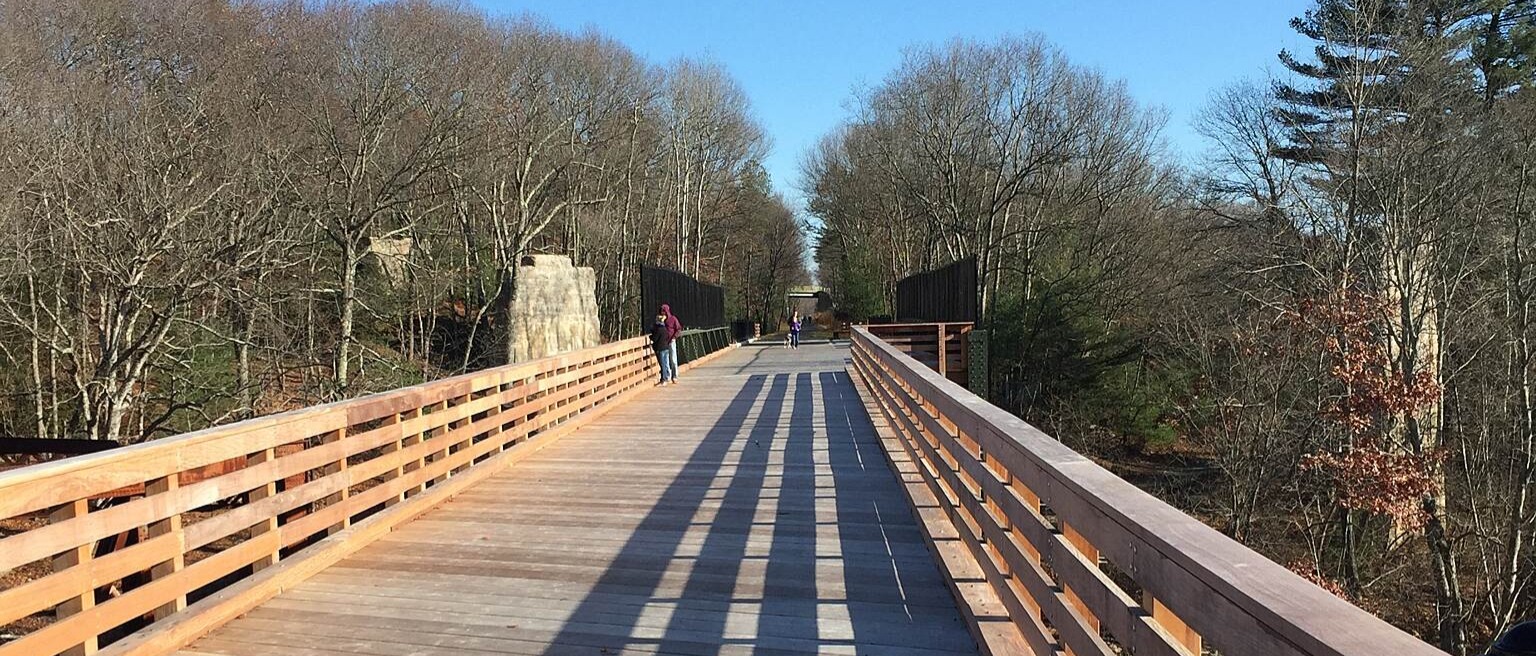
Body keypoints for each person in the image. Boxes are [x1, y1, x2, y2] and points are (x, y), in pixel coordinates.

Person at [649, 313, 675, 385]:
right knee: (666, 363)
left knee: (662, 364)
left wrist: (650, 337)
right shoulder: (665, 329)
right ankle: (668, 376)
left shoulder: (659, 329)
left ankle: (664, 379)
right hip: (666, 347)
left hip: (660, 348)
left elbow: (655, 338)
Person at [660, 304, 682, 383]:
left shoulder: (673, 319)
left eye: (663, 311)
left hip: (671, 341)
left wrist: (674, 337)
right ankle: (667, 376)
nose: (662, 313)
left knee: (673, 359)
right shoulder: (661, 320)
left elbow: (678, 329)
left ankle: (675, 376)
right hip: (664, 342)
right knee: (665, 360)